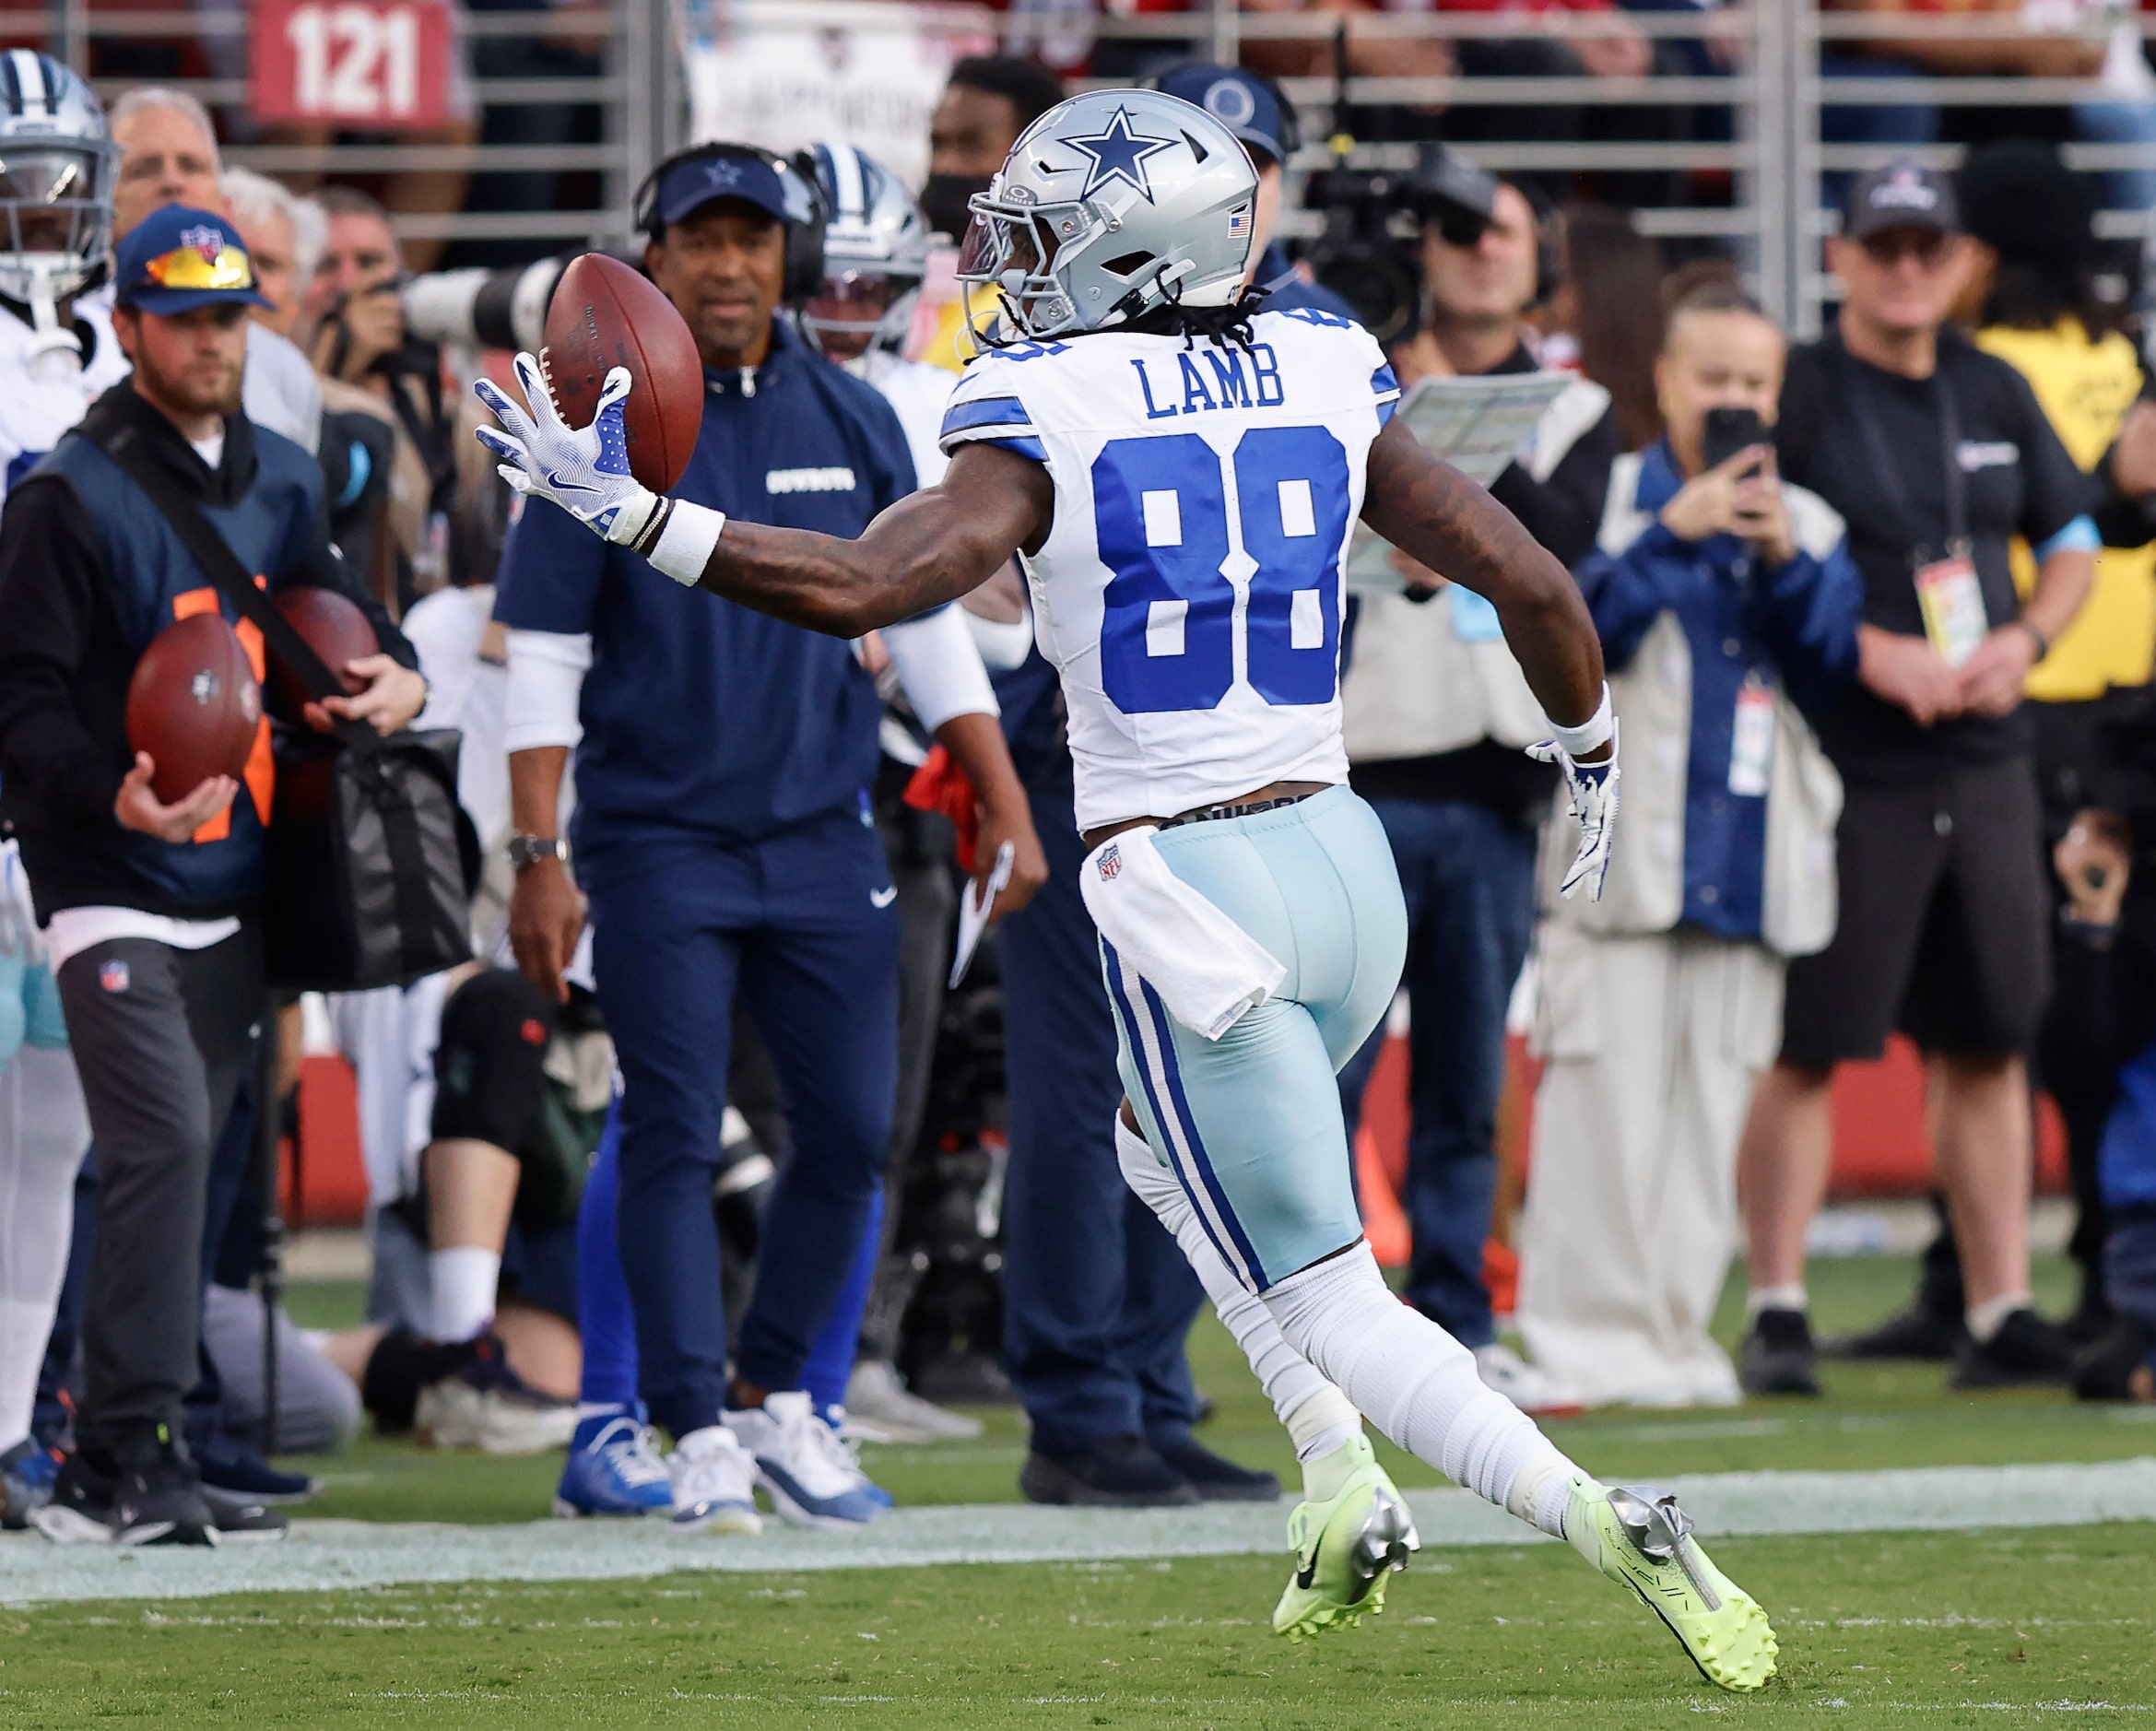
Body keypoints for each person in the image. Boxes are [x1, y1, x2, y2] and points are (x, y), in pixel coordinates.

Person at [477, 86, 1778, 1692]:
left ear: (1128, 247)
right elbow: (1524, 577)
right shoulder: (1318, 354)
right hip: (1336, 857)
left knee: (1331, 1288)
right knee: (1148, 1149)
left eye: (1033, 240)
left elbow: (872, 584)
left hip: (1185, 883)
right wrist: (1584, 749)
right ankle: (1335, 1476)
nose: (1003, 268)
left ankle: (1594, 1514)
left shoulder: (1042, 395)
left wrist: (634, 516)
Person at [492, 142, 1045, 1535]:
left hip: (821, 825)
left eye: (753, 240)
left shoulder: (853, 413)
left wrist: (997, 783)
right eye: (701, 241)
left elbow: (918, 612)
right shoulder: (588, 423)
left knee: (855, 1132)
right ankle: (691, 1431)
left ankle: (782, 1399)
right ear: (652, 256)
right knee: (672, 1126)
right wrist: (537, 852)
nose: (729, 265)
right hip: (658, 835)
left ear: (788, 255)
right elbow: (543, 654)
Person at [0, 206, 424, 1546]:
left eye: (230, 315)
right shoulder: (67, 492)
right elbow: (19, 700)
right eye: (184, 317)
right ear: (124, 326)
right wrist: (101, 787)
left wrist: (395, 668)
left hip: (240, 866)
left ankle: (140, 1438)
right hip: (108, 867)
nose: (211, 340)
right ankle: (116, 1450)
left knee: (192, 1164)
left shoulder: (286, 473)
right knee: (162, 1144)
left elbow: (333, 609)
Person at [1737, 160, 2099, 1398]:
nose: (1903, 268)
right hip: (1854, 751)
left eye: (1924, 247)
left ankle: (1996, 1305)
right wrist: (1863, 649)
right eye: (1882, 245)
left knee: (1989, 1035)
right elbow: (1752, 552)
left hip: (1985, 750)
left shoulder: (1988, 379)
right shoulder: (1799, 386)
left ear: (1956, 261)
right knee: (1809, 1038)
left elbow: (2068, 538)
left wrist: (2026, 641)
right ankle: (1776, 1302)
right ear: (1838, 255)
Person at [1516, 281, 1864, 1409]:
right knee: (1600, 1108)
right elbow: (1569, 636)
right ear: (1661, 381)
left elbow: (1833, 678)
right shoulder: (1606, 497)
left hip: (1752, 860)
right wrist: (1671, 537)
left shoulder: (1806, 524)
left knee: (1709, 1110)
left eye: (1751, 382)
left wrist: (1780, 567)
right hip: (1618, 865)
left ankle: (1673, 1339)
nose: (1731, 401)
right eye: (1710, 377)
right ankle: (1577, 1341)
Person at [1838, 140, 2156, 1364]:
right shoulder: (2117, 367)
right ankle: (2092, 1267)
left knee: (1983, 1016)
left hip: (2011, 712)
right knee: (2094, 1015)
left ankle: (1963, 1270)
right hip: (2124, 731)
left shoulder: (1981, 372)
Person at [1331, 172, 1620, 1414]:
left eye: (1495, 229)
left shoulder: (1575, 407)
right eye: (1449, 232)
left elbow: (1565, 547)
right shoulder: (1343, 369)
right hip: (1361, 770)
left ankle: (1457, 1309)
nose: (1473, 254)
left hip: (1497, 778)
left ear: (1536, 252)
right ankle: (1322, 1317)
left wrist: (1449, 476)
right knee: (1325, 1068)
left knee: (1462, 1073)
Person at [0, 49, 122, 1532]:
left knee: (57, 1138)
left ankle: (15, 1429)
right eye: (16, 181)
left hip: (91, 792)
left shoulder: (124, 348)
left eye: (61, 182)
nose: (41, 207)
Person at [104, 88, 322, 456]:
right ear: (104, 202)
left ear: (224, 206)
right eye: (144, 169)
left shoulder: (282, 368)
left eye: (191, 166)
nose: (172, 182)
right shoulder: (65, 346)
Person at [1149, 64, 1360, 324]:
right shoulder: (1095, 315)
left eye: (1255, 165)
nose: (1237, 190)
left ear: (1281, 179)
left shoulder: (1328, 323)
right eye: (1204, 161)